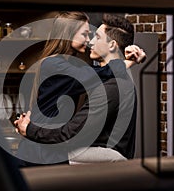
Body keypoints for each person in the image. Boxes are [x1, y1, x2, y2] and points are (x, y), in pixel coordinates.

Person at [15, 12, 145, 166]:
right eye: (85, 34)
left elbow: (71, 133)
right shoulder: (56, 65)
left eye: (95, 36)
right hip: (38, 148)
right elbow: (93, 75)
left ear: (111, 45)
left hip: (44, 144)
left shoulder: (108, 84)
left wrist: (31, 130)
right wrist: (127, 62)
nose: (89, 41)